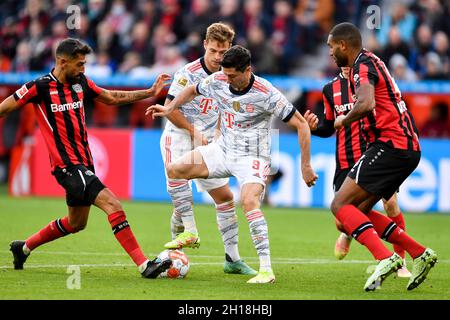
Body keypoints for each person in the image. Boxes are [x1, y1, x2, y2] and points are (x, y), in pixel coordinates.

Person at [0, 38, 172, 279]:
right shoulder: (38, 87)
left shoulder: (80, 83)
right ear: (62, 62)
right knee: (113, 205)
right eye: (79, 64)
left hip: (84, 163)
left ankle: (24, 247)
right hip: (67, 166)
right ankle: (145, 265)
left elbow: (111, 97)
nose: (83, 69)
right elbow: (5, 108)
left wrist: (150, 92)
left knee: (76, 223)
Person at [146, 45, 318, 283]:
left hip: (252, 157)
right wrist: (170, 107)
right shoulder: (218, 79)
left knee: (248, 202)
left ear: (248, 70)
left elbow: (301, 124)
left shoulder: (266, 92)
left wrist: (306, 165)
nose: (225, 79)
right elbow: (191, 90)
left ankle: (266, 269)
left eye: (232, 75)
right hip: (222, 150)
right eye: (224, 74)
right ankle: (191, 232)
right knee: (175, 169)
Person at [327, 22, 437, 291]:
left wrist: (344, 120)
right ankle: (419, 253)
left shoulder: (362, 66)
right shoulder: (370, 62)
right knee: (357, 211)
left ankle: (385, 257)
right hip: (405, 148)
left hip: (391, 146)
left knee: (339, 205)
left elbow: (366, 104)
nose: (330, 53)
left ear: (343, 45)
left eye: (331, 47)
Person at [159, 22, 257, 276]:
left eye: (223, 52)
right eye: (213, 50)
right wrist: (195, 133)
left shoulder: (230, 75)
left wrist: (219, 134)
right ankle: (180, 246)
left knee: (225, 197)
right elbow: (170, 110)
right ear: (205, 45)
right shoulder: (188, 73)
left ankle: (232, 259)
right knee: (178, 187)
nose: (217, 57)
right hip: (179, 137)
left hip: (209, 141)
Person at [304, 67, 411, 278]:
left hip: (377, 156)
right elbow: (328, 126)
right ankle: (348, 234)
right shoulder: (329, 89)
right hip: (346, 161)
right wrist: (314, 127)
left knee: (391, 204)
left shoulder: (371, 82)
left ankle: (401, 262)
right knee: (344, 218)